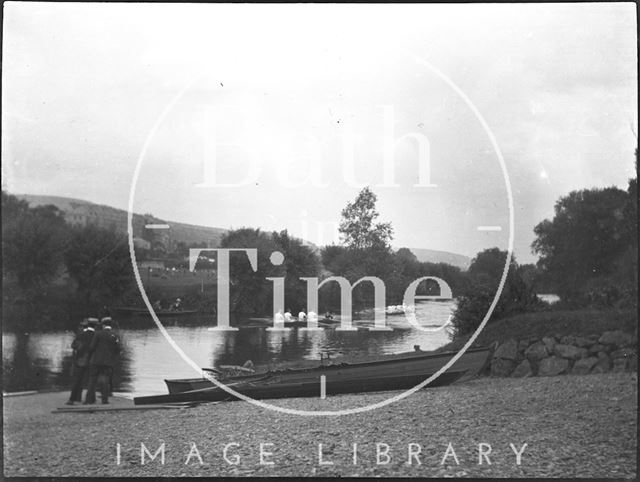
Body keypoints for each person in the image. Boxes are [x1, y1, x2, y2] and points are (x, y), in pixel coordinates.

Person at [84, 317, 120, 405]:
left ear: (103, 325)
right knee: (105, 381)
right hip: (108, 362)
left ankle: (89, 400)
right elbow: (118, 349)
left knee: (92, 380)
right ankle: (105, 400)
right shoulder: (114, 335)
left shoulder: (98, 334)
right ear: (110, 325)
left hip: (96, 361)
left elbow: (92, 347)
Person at [66, 318, 96, 405]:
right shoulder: (96, 335)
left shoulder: (80, 335)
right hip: (92, 361)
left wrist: (80, 352)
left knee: (77, 380)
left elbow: (74, 346)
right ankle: (90, 399)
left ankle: (73, 399)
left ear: (84, 326)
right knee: (91, 380)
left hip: (80, 360)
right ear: (95, 326)